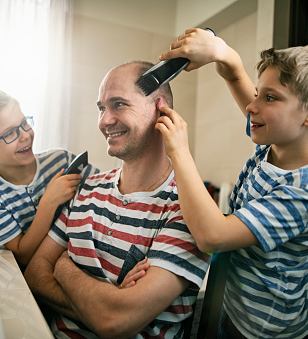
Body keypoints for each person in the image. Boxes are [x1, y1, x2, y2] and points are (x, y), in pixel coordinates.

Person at [153, 28, 308, 338]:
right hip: (235, 306)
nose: (252, 107)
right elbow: (238, 78)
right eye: (258, 93)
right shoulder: (280, 141)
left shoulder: (306, 189)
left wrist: (179, 152)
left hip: (264, 328)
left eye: (269, 97)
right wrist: (220, 52)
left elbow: (212, 237)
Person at [24, 61, 210, 339]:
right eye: (101, 108)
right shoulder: (86, 188)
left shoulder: (190, 209)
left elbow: (115, 321)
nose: (104, 121)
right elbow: (35, 273)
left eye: (119, 104)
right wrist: (98, 304)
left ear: (161, 111)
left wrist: (63, 265)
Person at [0, 90, 98, 267]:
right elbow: (21, 258)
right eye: (10, 133)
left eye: (24, 123)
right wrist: (48, 203)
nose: (25, 135)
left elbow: (105, 191)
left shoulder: (61, 160)